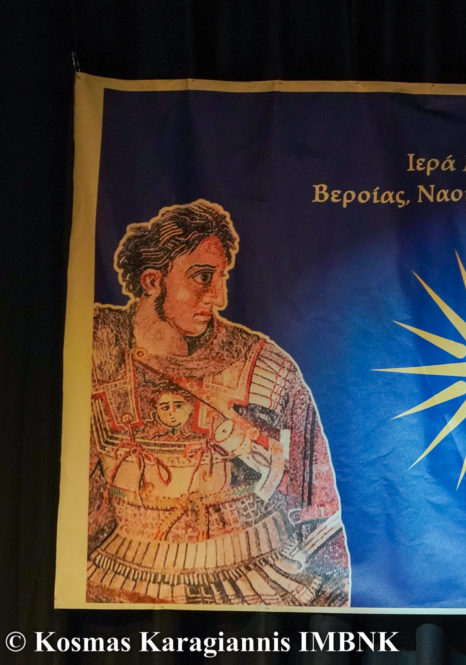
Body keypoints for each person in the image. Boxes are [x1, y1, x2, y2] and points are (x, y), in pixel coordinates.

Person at [87, 200, 350, 606]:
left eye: (222, 277)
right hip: (119, 578)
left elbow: (315, 507)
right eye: (203, 277)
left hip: (256, 583)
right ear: (153, 280)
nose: (219, 296)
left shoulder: (267, 369)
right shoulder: (95, 349)